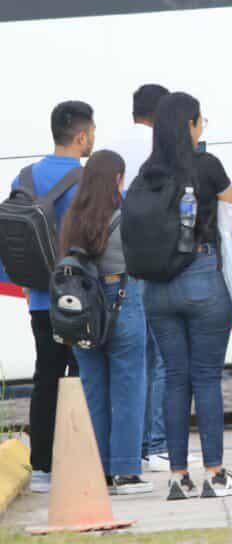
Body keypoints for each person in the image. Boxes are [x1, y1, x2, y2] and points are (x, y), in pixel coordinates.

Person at [140, 93, 232, 500]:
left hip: (156, 289)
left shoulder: (146, 173)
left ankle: (177, 478)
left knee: (175, 378)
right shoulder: (206, 166)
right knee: (205, 377)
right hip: (202, 278)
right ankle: (216, 474)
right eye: (200, 120)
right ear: (190, 125)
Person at [59, 150, 152, 494]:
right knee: (128, 388)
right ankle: (127, 472)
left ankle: (100, 473)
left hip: (83, 311)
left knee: (94, 389)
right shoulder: (123, 218)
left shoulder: (72, 220)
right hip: (121, 301)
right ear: (116, 179)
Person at [17, 101, 95, 494]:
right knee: (85, 376)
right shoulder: (88, 178)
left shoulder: (26, 175)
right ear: (81, 136)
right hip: (80, 298)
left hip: (40, 298)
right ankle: (84, 460)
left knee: (45, 377)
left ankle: (43, 468)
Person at [110, 83, 170, 473]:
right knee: (162, 356)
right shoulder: (162, 146)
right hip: (155, 261)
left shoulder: (111, 147)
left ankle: (140, 446)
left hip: (120, 263)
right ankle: (159, 445)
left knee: (137, 358)